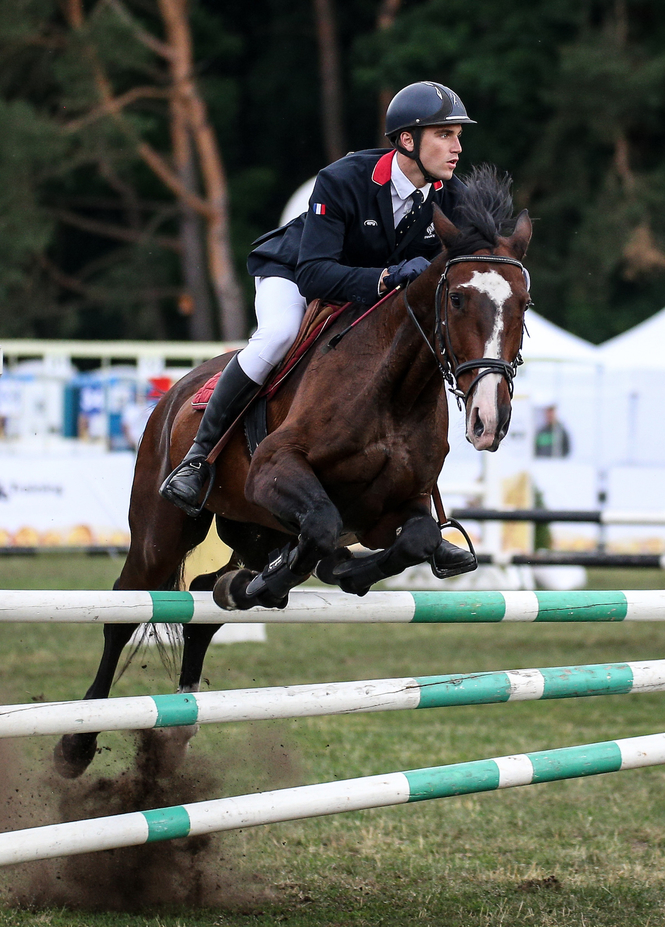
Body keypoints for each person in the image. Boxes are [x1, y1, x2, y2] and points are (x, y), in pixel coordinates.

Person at [160, 81, 475, 516]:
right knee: (277, 335)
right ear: (408, 140)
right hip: (294, 272)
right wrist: (387, 277)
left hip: (365, 295)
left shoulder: (452, 196)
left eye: (458, 135)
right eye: (445, 135)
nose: (457, 147)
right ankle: (198, 457)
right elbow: (315, 274)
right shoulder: (343, 179)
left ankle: (424, 509)